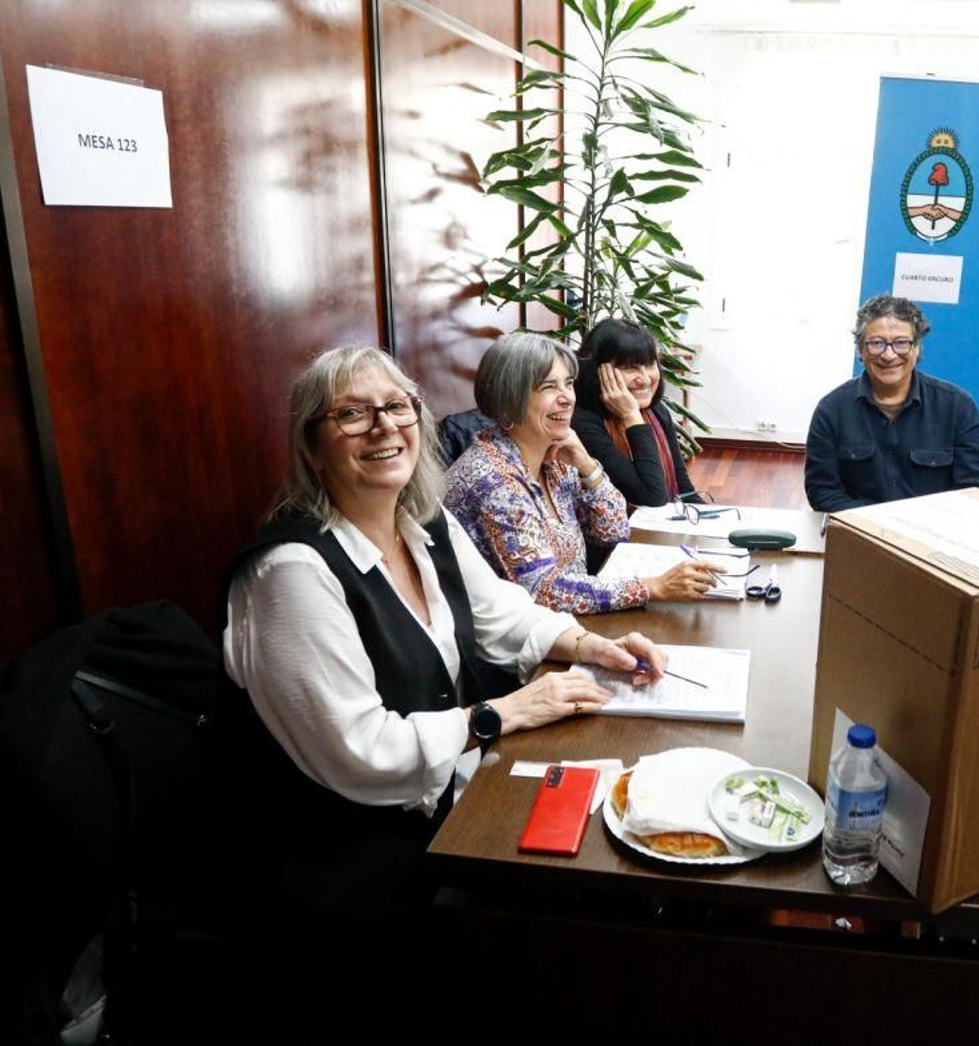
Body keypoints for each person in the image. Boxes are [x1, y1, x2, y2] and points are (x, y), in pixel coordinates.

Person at [221, 346, 666, 1026]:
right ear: (311, 446)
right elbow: (360, 751)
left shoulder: (422, 520)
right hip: (345, 849)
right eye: (352, 414)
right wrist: (495, 715)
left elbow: (503, 613)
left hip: (434, 797)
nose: (384, 426)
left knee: (613, 836)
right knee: (570, 902)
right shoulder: (292, 572)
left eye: (398, 406)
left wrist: (589, 645)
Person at [445, 332, 720, 613]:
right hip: (520, 632)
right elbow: (541, 591)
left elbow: (613, 530)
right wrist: (653, 587)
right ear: (508, 397)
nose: (567, 398)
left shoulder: (555, 452)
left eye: (568, 383)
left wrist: (588, 466)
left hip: (567, 619)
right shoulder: (495, 482)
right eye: (548, 387)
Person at [804, 294, 979, 512]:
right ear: (861, 350)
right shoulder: (831, 411)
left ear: (917, 348)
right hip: (857, 528)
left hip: (934, 528)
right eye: (876, 343)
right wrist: (876, 524)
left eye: (901, 343)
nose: (889, 355)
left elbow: (976, 489)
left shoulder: (958, 407)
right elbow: (822, 491)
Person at [573, 317, 696, 508]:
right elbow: (652, 498)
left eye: (650, 365)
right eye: (630, 368)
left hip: (663, 523)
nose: (645, 379)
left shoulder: (656, 412)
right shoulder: (582, 425)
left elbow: (684, 490)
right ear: (597, 373)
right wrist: (631, 415)